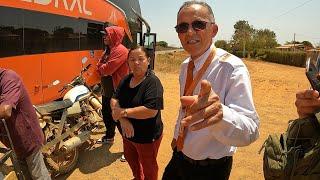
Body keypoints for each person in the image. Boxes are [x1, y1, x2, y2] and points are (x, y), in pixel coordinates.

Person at [162, 1, 260, 180]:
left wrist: (221, 115)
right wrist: (177, 137)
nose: (190, 32)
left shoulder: (231, 68)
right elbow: (185, 109)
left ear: (213, 30)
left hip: (210, 170)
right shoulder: (185, 66)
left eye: (198, 24)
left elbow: (251, 130)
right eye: (182, 27)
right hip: (180, 156)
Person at [110, 46, 164, 180]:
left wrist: (122, 113)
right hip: (126, 133)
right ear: (128, 62)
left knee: (149, 166)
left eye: (141, 59)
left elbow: (151, 111)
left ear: (148, 61)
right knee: (130, 158)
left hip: (146, 137)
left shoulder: (153, 82)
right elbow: (114, 99)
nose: (136, 63)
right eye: (132, 60)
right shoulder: (127, 79)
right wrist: (123, 120)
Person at [0, 68, 51, 180]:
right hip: (13, 143)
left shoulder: (9, 78)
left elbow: (5, 110)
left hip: (28, 140)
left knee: (39, 176)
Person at [96, 26, 129, 144]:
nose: (104, 37)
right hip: (107, 91)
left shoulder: (121, 50)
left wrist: (101, 68)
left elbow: (107, 70)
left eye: (107, 34)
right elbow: (99, 65)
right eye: (104, 35)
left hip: (117, 92)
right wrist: (101, 67)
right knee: (107, 115)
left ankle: (129, 146)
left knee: (120, 119)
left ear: (114, 36)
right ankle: (109, 137)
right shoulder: (108, 50)